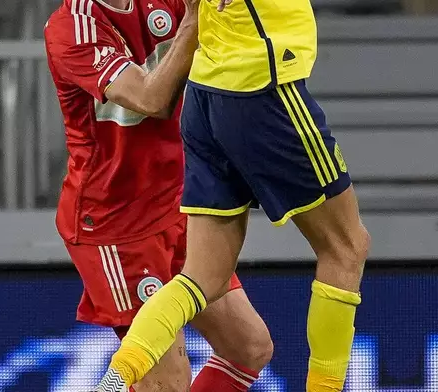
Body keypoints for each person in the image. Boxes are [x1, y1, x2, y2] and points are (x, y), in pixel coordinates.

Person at [93, 0, 371, 391]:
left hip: (207, 93)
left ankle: (116, 378)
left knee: (201, 277)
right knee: (346, 246)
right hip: (264, 83)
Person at [43, 0, 273, 391]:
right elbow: (152, 99)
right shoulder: (72, 27)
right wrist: (196, 19)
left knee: (247, 347)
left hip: (178, 205)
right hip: (117, 225)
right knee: (167, 382)